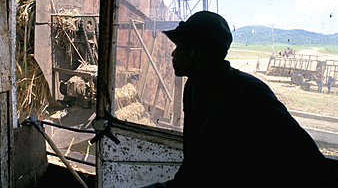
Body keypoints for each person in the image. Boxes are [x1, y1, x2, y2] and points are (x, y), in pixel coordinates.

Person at [143, 11, 335, 187]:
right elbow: (195, 159)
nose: (173, 53)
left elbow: (309, 161)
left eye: (180, 46)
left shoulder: (250, 92)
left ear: (196, 52)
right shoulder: (194, 87)